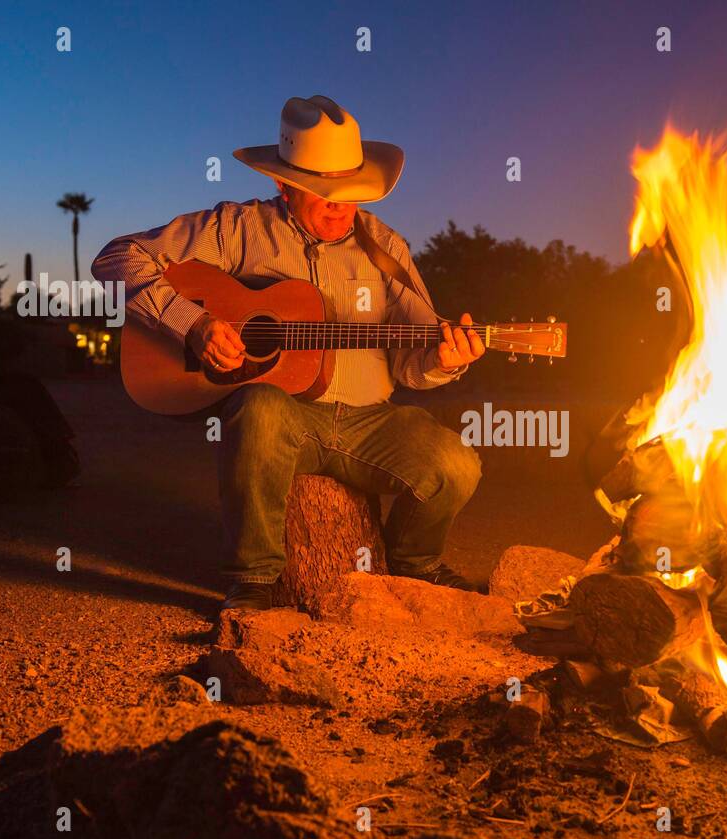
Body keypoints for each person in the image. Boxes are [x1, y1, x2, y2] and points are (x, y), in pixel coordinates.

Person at [93, 96, 485, 611]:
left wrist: (444, 361)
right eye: (322, 192)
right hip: (284, 418)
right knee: (258, 407)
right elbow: (116, 258)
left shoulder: (386, 247)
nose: (338, 204)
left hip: (370, 420)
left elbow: (411, 361)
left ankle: (416, 566)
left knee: (456, 464)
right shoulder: (236, 228)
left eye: (349, 190)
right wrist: (194, 325)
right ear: (282, 183)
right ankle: (253, 581)